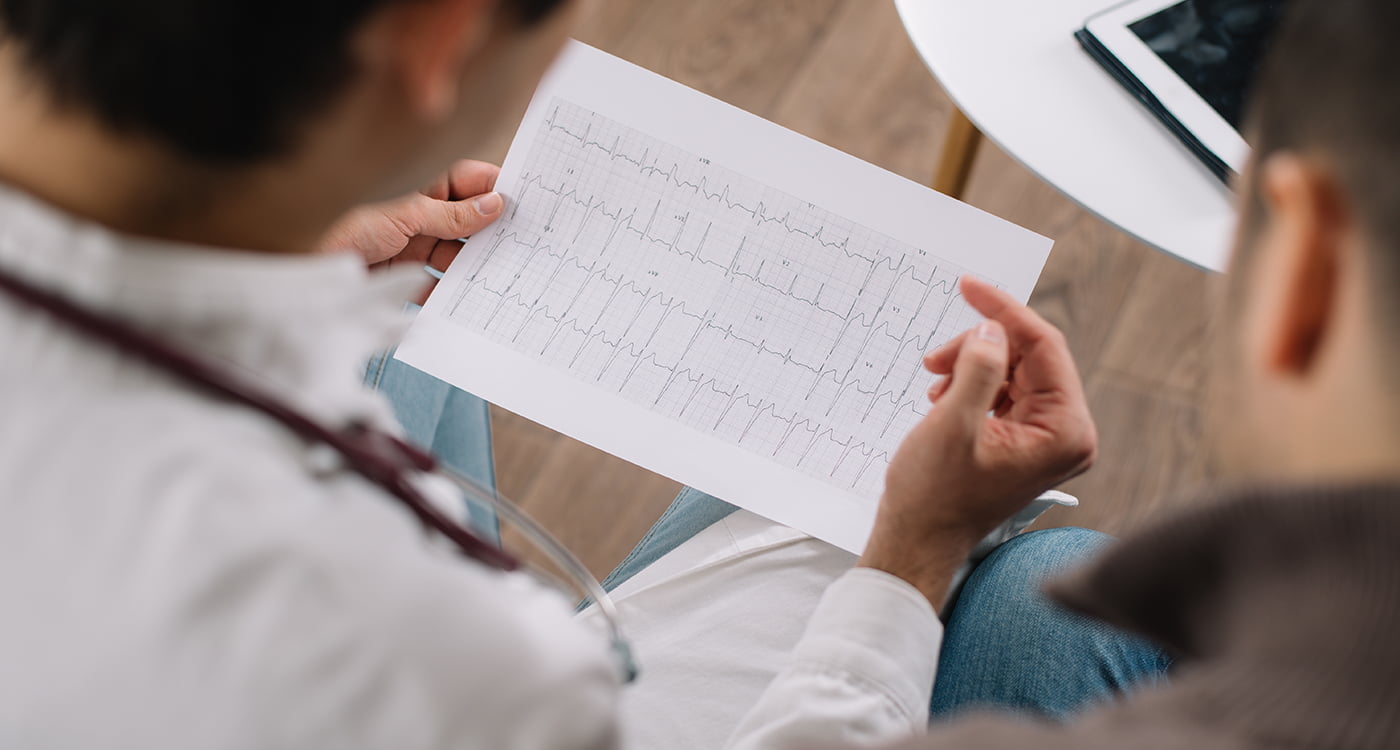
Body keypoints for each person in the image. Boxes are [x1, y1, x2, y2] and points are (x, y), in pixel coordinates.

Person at [0, 0, 1158, 747]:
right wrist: (911, 561)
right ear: (437, 42)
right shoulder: (445, 664)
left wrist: (296, 248)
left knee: (406, 329)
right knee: (1047, 587)